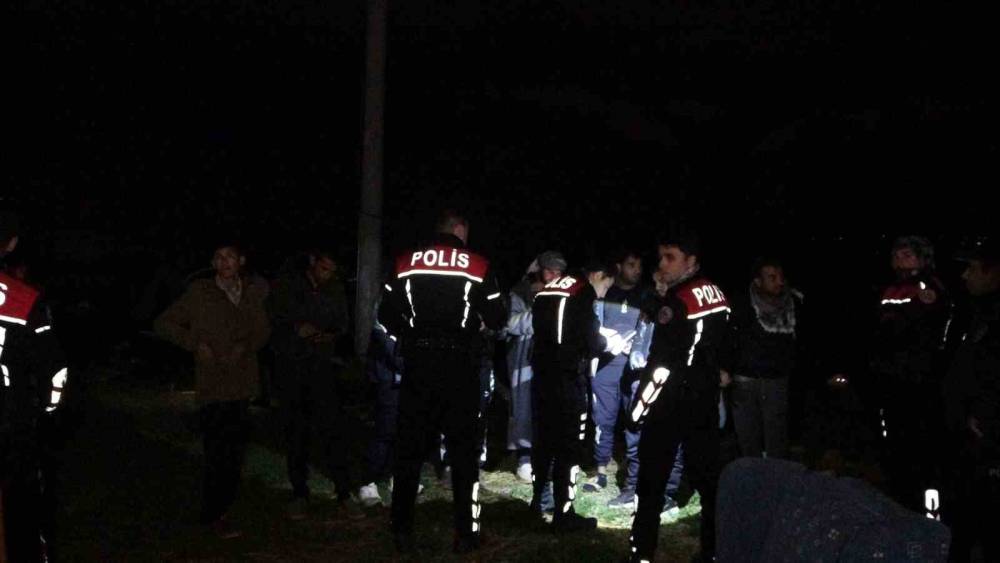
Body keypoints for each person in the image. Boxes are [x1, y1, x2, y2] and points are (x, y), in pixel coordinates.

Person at [378, 210, 505, 554]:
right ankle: (466, 533)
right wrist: (475, 325)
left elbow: (385, 313)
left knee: (409, 451)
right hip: (460, 366)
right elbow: (497, 316)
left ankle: (401, 529)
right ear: (459, 230)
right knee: (464, 453)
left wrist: (409, 333)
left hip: (418, 364)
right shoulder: (477, 264)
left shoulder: (406, 262)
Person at [154, 241, 270, 538]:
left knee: (235, 452)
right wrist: (195, 344)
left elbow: (263, 330)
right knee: (216, 451)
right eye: (219, 257)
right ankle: (213, 513)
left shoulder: (252, 292)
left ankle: (224, 509)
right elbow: (164, 323)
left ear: (241, 260)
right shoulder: (200, 292)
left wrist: (246, 346)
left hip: (241, 384)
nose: (224, 262)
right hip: (212, 384)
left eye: (230, 256)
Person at [628, 233, 730, 562]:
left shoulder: (678, 302)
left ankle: (642, 552)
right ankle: (713, 550)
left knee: (652, 480)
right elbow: (725, 345)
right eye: (661, 257)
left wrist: (638, 410)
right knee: (708, 480)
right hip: (705, 399)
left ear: (691, 261)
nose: (662, 264)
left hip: (671, 403)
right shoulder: (716, 293)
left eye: (670, 257)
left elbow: (661, 366)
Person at [529, 260, 618, 532]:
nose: (603, 294)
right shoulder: (583, 292)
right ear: (598, 275)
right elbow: (590, 339)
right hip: (567, 380)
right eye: (605, 287)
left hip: (541, 377)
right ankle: (563, 513)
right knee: (568, 448)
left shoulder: (548, 289)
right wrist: (606, 343)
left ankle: (537, 502)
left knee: (543, 443)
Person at [1, 209, 67, 562]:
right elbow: (54, 371)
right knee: (22, 513)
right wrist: (47, 410)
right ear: (10, 244)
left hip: (14, 427)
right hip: (13, 427)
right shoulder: (25, 299)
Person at [267, 249, 353, 518]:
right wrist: (296, 329)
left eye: (332, 271)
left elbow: (342, 323)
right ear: (314, 262)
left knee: (332, 429)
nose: (328, 275)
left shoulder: (335, 289)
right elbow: (274, 317)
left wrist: (329, 335)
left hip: (322, 367)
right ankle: (299, 493)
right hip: (292, 367)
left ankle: (343, 492)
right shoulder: (288, 285)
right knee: (296, 431)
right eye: (324, 268)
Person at [870, 236, 952, 511]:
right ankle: (899, 498)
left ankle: (927, 507)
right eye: (896, 255)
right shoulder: (889, 288)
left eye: (907, 255)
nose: (899, 260)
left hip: (919, 380)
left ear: (921, 259)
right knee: (894, 442)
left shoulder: (929, 286)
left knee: (921, 445)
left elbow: (920, 329)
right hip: (890, 378)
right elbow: (879, 327)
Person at [583, 250, 656, 511]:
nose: (637, 270)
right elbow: (593, 325)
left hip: (634, 369)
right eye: (631, 264)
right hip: (606, 365)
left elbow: (650, 329)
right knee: (602, 418)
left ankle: (633, 480)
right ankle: (601, 470)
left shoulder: (647, 295)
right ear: (619, 266)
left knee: (634, 421)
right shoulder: (606, 291)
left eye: (640, 265)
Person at [943, 239, 1000, 560]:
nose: (965, 275)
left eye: (972, 268)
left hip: (987, 447)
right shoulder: (976, 311)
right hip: (968, 444)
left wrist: (989, 420)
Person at [725, 257, 803, 459]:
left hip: (777, 380)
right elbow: (729, 338)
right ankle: (752, 472)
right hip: (746, 379)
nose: (779, 282)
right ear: (758, 281)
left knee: (777, 436)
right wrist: (727, 368)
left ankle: (775, 474)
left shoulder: (794, 303)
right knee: (747, 435)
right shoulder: (742, 303)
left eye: (780, 277)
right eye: (772, 277)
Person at [505, 251, 566, 482]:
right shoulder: (522, 291)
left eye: (558, 272)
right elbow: (509, 324)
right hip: (524, 357)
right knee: (523, 406)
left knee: (549, 407)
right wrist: (541, 312)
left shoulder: (565, 291)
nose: (554, 277)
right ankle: (524, 457)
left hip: (553, 358)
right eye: (549, 271)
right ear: (539, 270)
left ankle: (548, 457)